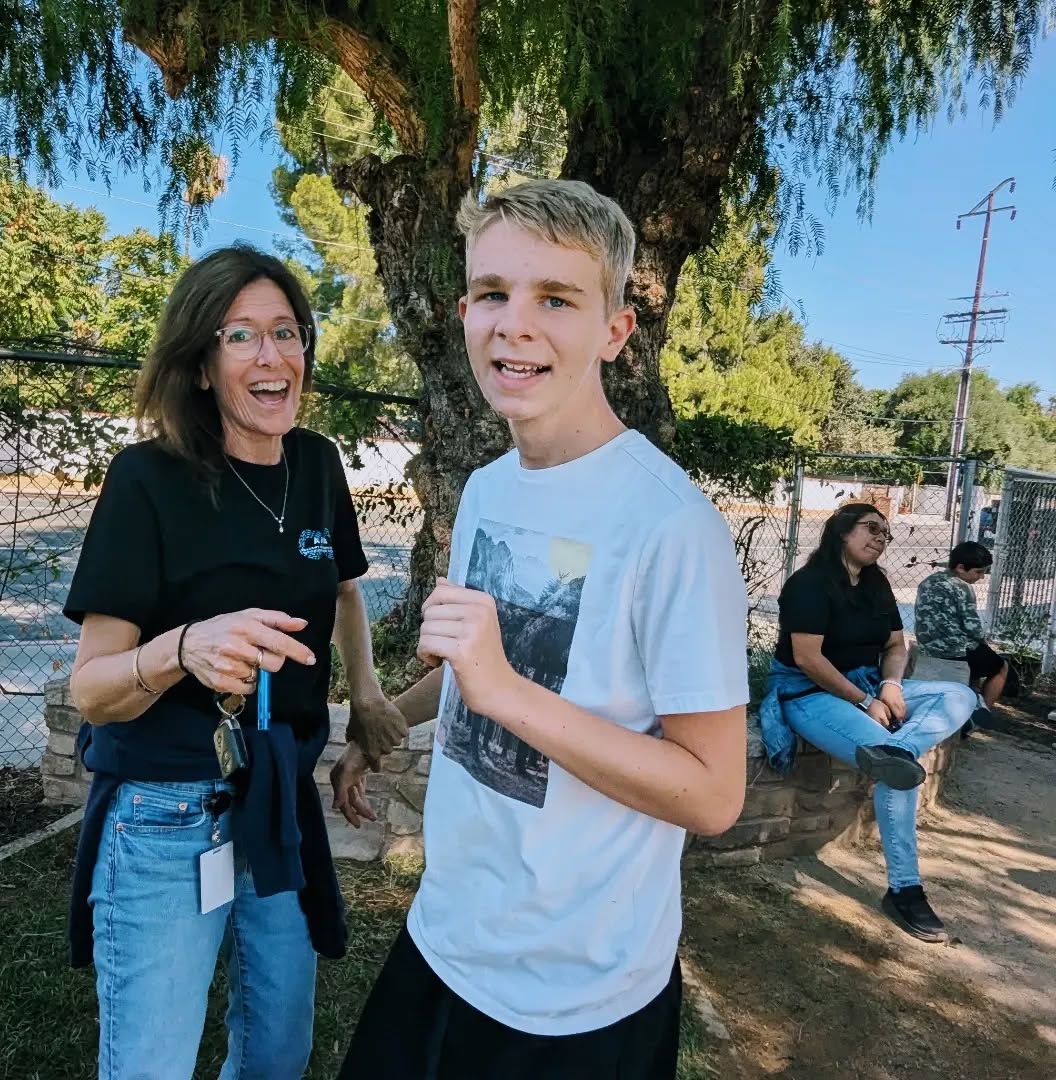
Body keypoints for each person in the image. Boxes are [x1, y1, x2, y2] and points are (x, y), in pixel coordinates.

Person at [330, 179, 751, 1079]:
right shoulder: (486, 488)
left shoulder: (673, 526)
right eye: (493, 293)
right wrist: (389, 720)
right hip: (446, 935)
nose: (514, 324)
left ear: (614, 331)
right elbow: (487, 659)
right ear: (465, 312)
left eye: (555, 298)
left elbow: (714, 795)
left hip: (578, 998)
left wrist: (506, 696)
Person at [62, 245, 406, 1079]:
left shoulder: (317, 464)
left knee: (278, 1052)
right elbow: (91, 690)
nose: (271, 356)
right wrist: (184, 647)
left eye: (287, 332)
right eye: (242, 336)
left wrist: (364, 696)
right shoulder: (147, 479)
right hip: (165, 811)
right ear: (203, 364)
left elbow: (348, 590)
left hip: (278, 796)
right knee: (153, 1065)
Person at [759, 503, 980, 944]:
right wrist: (865, 702)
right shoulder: (810, 584)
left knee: (962, 694)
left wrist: (892, 687)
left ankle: (900, 749)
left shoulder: (877, 584)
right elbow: (807, 659)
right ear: (842, 532)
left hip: (870, 686)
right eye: (872, 529)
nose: (881, 538)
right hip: (810, 695)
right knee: (896, 775)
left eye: (886, 534)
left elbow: (897, 644)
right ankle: (905, 890)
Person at [915, 541, 1015, 728]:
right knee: (1001, 666)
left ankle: (972, 699)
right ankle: (982, 710)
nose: (982, 577)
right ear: (960, 568)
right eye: (978, 572)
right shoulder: (962, 587)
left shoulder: (928, 581)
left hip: (927, 645)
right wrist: (983, 641)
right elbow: (972, 627)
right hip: (954, 649)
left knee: (976, 659)